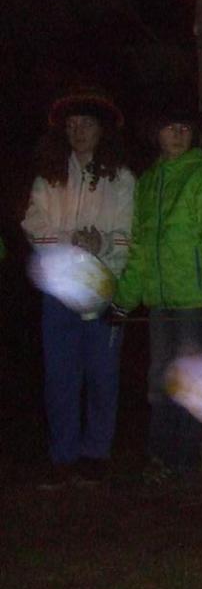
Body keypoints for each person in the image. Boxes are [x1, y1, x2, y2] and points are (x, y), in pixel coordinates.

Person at [111, 102, 202, 480]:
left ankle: (184, 463)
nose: (178, 134)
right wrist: (124, 300)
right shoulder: (148, 183)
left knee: (191, 383)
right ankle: (160, 458)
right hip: (160, 304)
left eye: (184, 128)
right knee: (160, 381)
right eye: (170, 127)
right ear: (156, 134)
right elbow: (140, 250)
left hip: (195, 302)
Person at [22, 86, 135, 486]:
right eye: (72, 125)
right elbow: (33, 223)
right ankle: (63, 455)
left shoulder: (120, 179)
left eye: (86, 124)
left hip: (102, 287)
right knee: (60, 376)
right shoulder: (50, 177)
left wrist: (100, 243)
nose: (79, 131)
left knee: (102, 374)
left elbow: (127, 235)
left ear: (102, 129)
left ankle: (96, 453)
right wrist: (70, 239)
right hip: (58, 289)